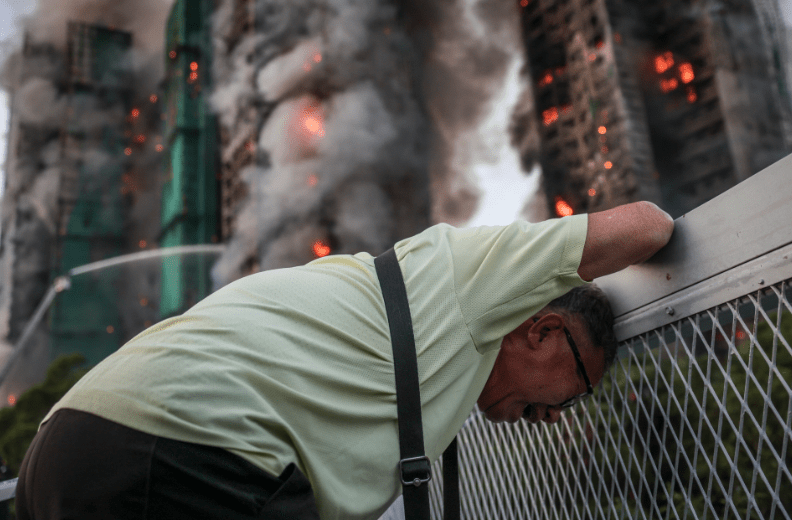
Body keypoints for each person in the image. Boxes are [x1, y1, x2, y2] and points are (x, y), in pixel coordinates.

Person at [15, 201, 673, 520]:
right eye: (578, 389)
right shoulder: (473, 276)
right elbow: (650, 225)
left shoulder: (418, 335)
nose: (555, 419)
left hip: (66, 447)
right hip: (182, 449)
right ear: (545, 332)